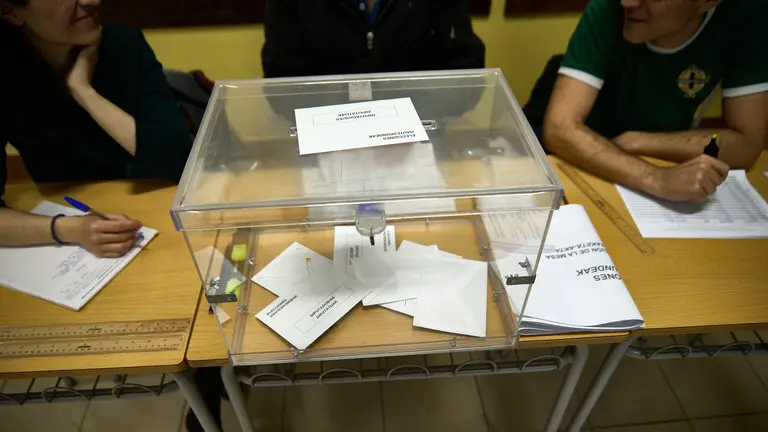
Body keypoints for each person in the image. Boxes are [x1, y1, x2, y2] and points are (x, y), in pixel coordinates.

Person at [0, 0, 193, 256]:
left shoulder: (123, 44)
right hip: (77, 229)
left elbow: (182, 161)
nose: (93, 1)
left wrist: (84, 92)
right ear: (11, 12)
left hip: (157, 212)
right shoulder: (6, 74)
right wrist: (70, 229)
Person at [543, 0, 768, 202]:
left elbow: (747, 146)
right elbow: (559, 129)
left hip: (658, 160)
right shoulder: (608, 7)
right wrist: (657, 179)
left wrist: (638, 141)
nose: (627, 2)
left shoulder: (747, 17)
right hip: (586, 167)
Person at [262, 0, 485, 78]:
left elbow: (466, 67)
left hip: (419, 142)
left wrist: (408, 124)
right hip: (324, 143)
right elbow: (281, 79)